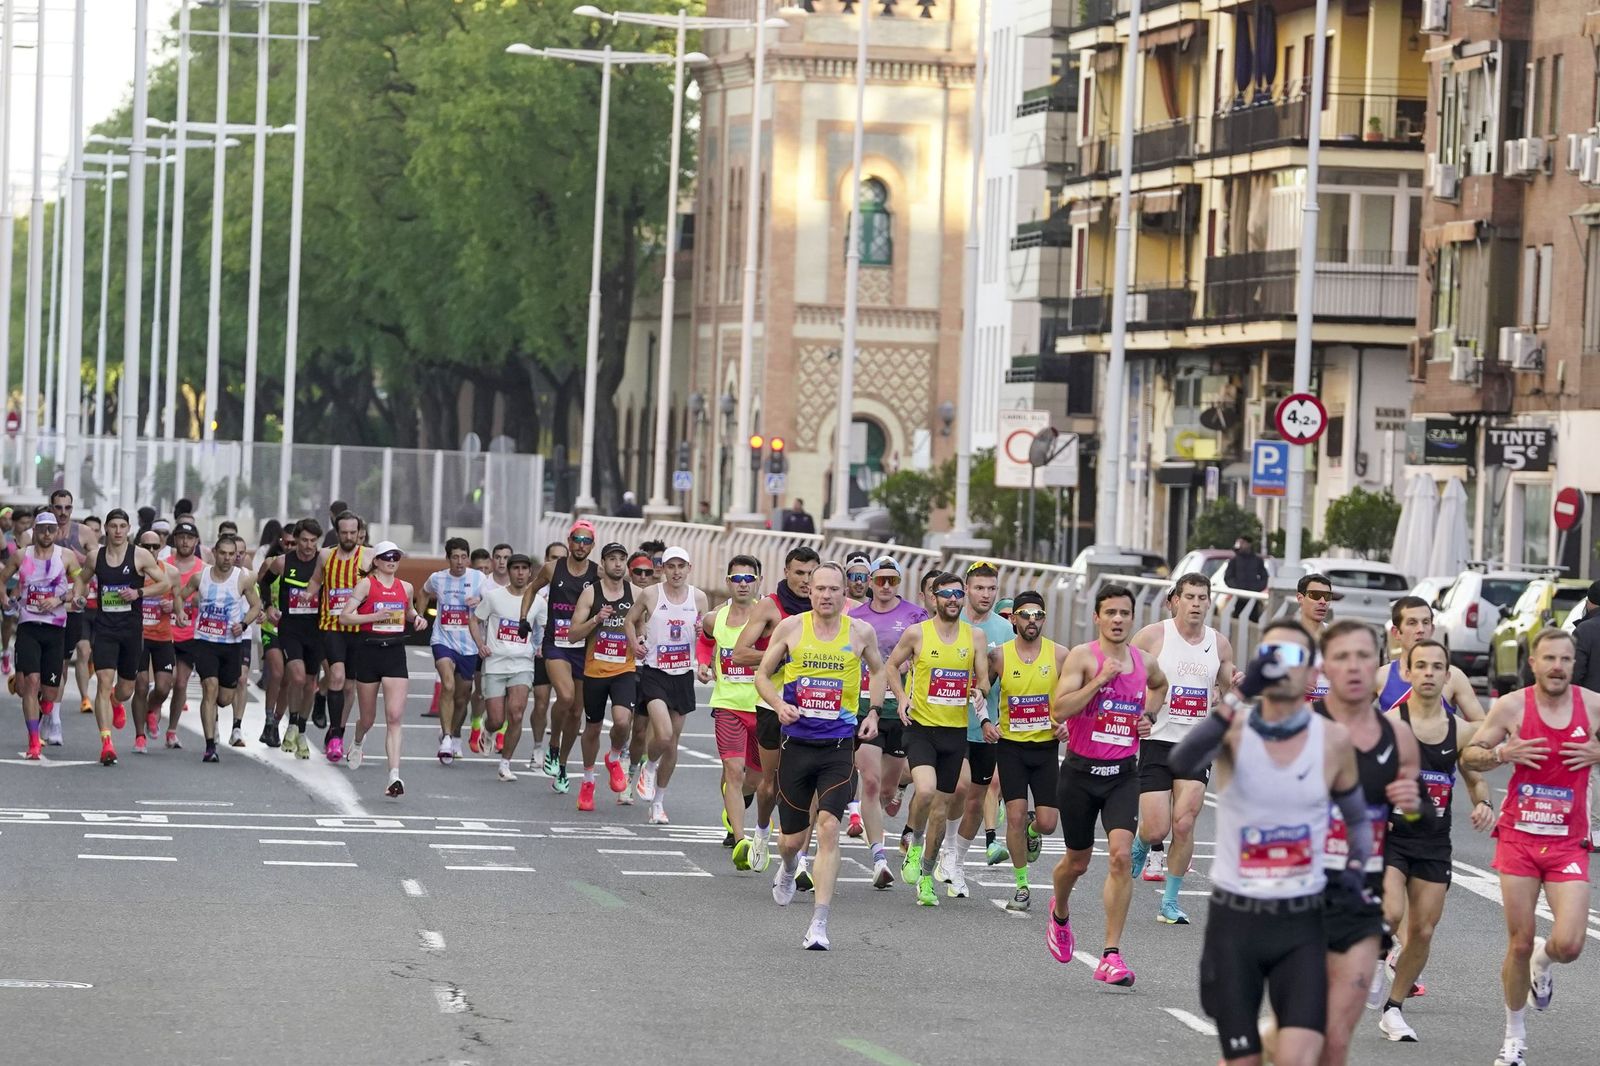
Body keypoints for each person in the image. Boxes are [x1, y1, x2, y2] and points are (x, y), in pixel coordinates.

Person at [1170, 620, 1369, 1066]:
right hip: (1236, 922)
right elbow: (1181, 760)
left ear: (1313, 672)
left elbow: (1357, 821)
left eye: (1295, 657)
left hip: (1300, 923)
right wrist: (1239, 695)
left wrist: (1353, 876)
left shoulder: (1333, 741)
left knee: (1300, 1059)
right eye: (1271, 657)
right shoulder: (1236, 730)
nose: (1282, 668)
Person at [1460, 628, 1600, 1066]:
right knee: (1517, 942)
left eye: (1566, 659)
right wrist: (1504, 753)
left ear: (1573, 665)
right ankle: (1514, 1038)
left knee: (1570, 943)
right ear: (1533, 663)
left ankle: (1545, 961)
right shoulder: (1511, 706)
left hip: (1567, 841)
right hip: (1520, 837)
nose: (1558, 666)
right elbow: (1470, 756)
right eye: (1549, 659)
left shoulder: (1592, 705)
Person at [754, 561, 887, 950]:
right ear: (809, 592)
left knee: (829, 826)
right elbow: (762, 675)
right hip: (796, 745)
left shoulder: (860, 631)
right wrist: (779, 704)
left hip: (838, 746)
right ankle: (789, 865)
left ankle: (819, 923)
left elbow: (878, 670)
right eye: (820, 589)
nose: (827, 595)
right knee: (791, 842)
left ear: (845, 593)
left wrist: (873, 711)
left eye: (834, 589)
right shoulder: (791, 628)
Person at [1374, 638, 1494, 1043]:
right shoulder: (1390, 723)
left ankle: (1393, 1009)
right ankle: (1372, 953)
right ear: (1406, 671)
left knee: (1423, 931)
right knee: (1390, 915)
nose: (1428, 673)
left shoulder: (1459, 730)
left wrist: (1484, 804)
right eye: (1420, 665)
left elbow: (1475, 779)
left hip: (1433, 842)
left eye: (1436, 667)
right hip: (1391, 838)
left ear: (1447, 676)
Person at [1312, 620, 1421, 1066]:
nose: (1354, 667)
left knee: (1337, 1033)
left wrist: (1411, 805)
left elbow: (1417, 814)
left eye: (1364, 657)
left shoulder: (1395, 735)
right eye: (1343, 656)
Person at [1046, 583, 1165, 985]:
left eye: (1124, 614)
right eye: (1110, 613)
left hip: (1122, 775)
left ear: (1133, 618)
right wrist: (1099, 681)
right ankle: (1060, 910)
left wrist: (1148, 715)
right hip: (1079, 773)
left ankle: (1111, 955)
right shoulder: (1083, 657)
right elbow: (1059, 709)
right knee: (1076, 862)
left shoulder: (1144, 662)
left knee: (1119, 856)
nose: (1117, 620)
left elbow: (1160, 685)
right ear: (1097, 618)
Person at [1130, 573, 1237, 925]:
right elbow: (1128, 678)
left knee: (1185, 823)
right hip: (1157, 740)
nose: (1195, 603)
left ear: (1209, 602)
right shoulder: (1153, 636)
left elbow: (1229, 682)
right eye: (1189, 596)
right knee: (1157, 827)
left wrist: (1236, 682)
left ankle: (1170, 901)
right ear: (1175, 600)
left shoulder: (1218, 642)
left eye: (1201, 598)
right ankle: (1143, 845)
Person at [886, 571, 989, 906]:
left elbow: (985, 680)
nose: (953, 600)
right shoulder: (918, 634)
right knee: (926, 791)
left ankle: (927, 876)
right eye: (946, 594)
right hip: (920, 728)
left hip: (955, 732)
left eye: (958, 594)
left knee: (942, 810)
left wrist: (978, 690)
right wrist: (902, 697)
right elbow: (891, 666)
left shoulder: (974, 637)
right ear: (934, 598)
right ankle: (913, 843)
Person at [731, 545, 820, 877]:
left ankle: (802, 861)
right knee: (771, 783)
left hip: (812, 709)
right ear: (786, 572)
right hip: (772, 705)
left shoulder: (824, 609)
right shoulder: (770, 606)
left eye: (812, 573)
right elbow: (739, 653)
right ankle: (763, 830)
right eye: (799, 573)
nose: (806, 581)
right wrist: (779, 657)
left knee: (807, 785)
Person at [846, 555, 927, 888]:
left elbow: (927, 651)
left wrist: (910, 663)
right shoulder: (856, 617)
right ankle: (879, 857)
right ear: (870, 582)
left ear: (898, 583)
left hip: (902, 711)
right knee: (870, 782)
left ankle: (877, 817)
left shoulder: (914, 615)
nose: (885, 586)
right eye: (879, 580)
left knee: (890, 788)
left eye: (891, 580)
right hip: (866, 708)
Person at [989, 589, 1068, 911]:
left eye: (1038, 616)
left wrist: (1069, 725)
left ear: (1044, 619)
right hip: (1011, 747)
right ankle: (1022, 885)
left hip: (1046, 749)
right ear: (1013, 619)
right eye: (1025, 615)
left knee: (1048, 823)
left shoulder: (1061, 655)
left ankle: (1035, 831)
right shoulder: (999, 656)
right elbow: (979, 690)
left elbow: (1077, 697)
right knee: (1015, 816)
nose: (1032, 621)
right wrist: (984, 721)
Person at [339, 542, 428, 795]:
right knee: (368, 719)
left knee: (395, 717)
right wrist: (373, 617)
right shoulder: (366, 584)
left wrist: (418, 619)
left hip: (395, 653)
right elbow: (344, 616)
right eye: (386, 557)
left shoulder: (406, 587)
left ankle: (394, 777)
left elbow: (408, 612)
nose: (391, 560)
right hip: (368, 650)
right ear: (376, 561)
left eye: (396, 556)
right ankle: (358, 740)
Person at [628, 546, 709, 825]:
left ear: (689, 568)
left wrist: (703, 661)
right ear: (663, 569)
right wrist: (634, 643)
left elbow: (705, 637)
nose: (676, 572)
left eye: (681, 566)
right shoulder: (651, 594)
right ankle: (648, 767)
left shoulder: (699, 597)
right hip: (654, 672)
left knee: (672, 744)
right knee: (662, 735)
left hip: (683, 674)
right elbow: (630, 620)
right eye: (671, 566)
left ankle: (658, 803)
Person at [943, 560, 1011, 886]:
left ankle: (956, 860)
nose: (985, 594)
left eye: (991, 589)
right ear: (966, 589)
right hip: (950, 722)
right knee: (958, 787)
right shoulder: (949, 623)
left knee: (975, 799)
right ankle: (944, 846)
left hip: (988, 726)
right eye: (979, 588)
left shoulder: (1005, 630)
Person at [87, 510, 171, 766]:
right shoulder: (95, 556)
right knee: (103, 682)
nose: (118, 531)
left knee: (125, 690)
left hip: (131, 631)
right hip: (104, 629)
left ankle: (116, 701)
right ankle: (106, 743)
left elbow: (165, 583)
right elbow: (81, 580)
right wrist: (79, 597)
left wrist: (138, 592)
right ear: (106, 528)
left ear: (128, 528)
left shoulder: (140, 555)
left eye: (122, 526)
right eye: (113, 526)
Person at [524, 520, 600, 792]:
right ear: (569, 542)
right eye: (576, 539)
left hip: (584, 647)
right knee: (565, 697)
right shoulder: (552, 568)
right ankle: (553, 744)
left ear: (592, 545)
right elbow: (532, 589)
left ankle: (564, 764)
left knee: (577, 711)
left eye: (586, 540)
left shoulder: (598, 573)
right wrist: (524, 618)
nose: (580, 545)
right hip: (556, 643)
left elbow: (618, 597)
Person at [174, 537, 264, 762]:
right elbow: (180, 596)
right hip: (205, 642)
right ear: (215, 552)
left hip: (230, 645)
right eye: (222, 553)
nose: (226, 558)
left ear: (236, 556)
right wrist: (181, 613)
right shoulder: (200, 577)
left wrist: (243, 624)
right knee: (209, 687)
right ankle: (210, 745)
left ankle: (218, 722)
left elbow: (256, 606)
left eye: (231, 554)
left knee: (224, 698)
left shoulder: (241, 579)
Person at [701, 555, 766, 861]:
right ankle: (740, 840)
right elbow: (704, 640)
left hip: (762, 706)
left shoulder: (770, 619)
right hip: (727, 704)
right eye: (737, 579)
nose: (743, 584)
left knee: (755, 777)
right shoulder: (715, 618)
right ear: (727, 582)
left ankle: (736, 804)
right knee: (733, 770)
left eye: (748, 579)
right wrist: (703, 663)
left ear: (758, 582)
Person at [0, 511, 79, 759]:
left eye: (51, 529)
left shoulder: (66, 556)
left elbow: (81, 583)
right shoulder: (22, 556)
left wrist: (62, 598)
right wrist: (5, 602)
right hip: (29, 626)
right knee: (31, 683)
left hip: (56, 629)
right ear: (34, 530)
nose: (46, 534)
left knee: (51, 690)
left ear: (57, 532)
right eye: (42, 529)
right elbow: (2, 579)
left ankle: (44, 714)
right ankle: (34, 741)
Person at [568, 543, 638, 810]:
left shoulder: (636, 593)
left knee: (622, 722)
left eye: (622, 559)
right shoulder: (590, 594)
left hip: (624, 669)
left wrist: (640, 640)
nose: (618, 564)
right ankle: (588, 780)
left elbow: (643, 625)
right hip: (595, 670)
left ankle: (614, 756)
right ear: (603, 564)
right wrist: (596, 619)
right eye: (612, 559)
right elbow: (573, 634)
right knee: (593, 728)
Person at [468, 553, 542, 786]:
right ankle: (488, 731)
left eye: (524, 568)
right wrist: (480, 645)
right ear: (508, 572)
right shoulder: (493, 597)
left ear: (530, 572)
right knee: (497, 720)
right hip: (495, 663)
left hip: (523, 663)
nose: (520, 573)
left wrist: (540, 647)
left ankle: (505, 764)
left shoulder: (538, 601)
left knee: (517, 713)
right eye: (516, 568)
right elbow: (474, 619)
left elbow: (547, 626)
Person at [418, 537, 487, 766]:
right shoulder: (437, 579)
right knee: (447, 684)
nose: (459, 561)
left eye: (463, 557)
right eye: (455, 557)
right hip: (443, 639)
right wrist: (419, 617)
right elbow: (423, 592)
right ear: (448, 558)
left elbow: (490, 602)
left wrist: (479, 600)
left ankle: (452, 731)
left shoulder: (478, 578)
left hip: (468, 644)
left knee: (462, 696)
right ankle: (446, 738)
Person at [314, 511, 369, 762]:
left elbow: (381, 584)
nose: (348, 537)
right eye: (344, 532)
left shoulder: (368, 557)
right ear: (337, 533)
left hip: (358, 630)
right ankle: (335, 738)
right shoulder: (326, 555)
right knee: (336, 676)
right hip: (332, 626)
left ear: (359, 532)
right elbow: (315, 583)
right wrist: (304, 597)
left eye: (352, 532)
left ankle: (338, 729)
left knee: (349, 687)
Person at [1376, 595, 1485, 720]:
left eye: (1426, 622)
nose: (1421, 629)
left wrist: (1458, 731)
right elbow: (1352, 719)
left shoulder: (1453, 677)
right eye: (1412, 623)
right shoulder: (1381, 676)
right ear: (1396, 632)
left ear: (1432, 629)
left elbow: (1482, 726)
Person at [133, 530, 181, 755]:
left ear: (161, 547)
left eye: (155, 546)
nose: (151, 550)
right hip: (138, 635)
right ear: (138, 546)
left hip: (162, 636)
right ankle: (139, 735)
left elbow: (178, 598)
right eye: (146, 546)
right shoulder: (132, 570)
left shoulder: (170, 572)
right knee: (141, 684)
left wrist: (175, 609)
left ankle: (153, 709)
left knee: (163, 686)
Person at [163, 522, 207, 749]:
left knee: (181, 683)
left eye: (189, 538)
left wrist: (191, 602)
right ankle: (152, 710)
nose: (185, 542)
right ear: (175, 540)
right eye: (181, 537)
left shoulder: (203, 569)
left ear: (196, 542)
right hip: (164, 632)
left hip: (191, 633)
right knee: (165, 681)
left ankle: (171, 730)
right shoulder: (164, 565)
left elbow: (209, 598)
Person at [524, 541, 566, 772]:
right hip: (542, 651)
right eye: (553, 557)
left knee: (567, 703)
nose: (557, 561)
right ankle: (538, 747)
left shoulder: (577, 586)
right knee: (541, 703)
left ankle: (555, 745)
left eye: (562, 557)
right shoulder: (538, 590)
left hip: (569, 652)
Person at [1298, 573, 1334, 700]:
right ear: (1300, 598)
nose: (1323, 602)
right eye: (1316, 595)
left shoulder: (1336, 636)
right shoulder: (1284, 636)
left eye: (1327, 596)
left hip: (1329, 714)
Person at [1223, 535, 1270, 620]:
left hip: (1253, 598)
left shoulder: (1257, 560)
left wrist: (1256, 588)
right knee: (1237, 620)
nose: (1241, 545)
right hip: (1238, 598)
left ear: (1249, 544)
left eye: (1243, 543)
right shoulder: (1234, 560)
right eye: (1240, 542)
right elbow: (1228, 577)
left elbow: (1264, 577)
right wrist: (1237, 588)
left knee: (1253, 620)